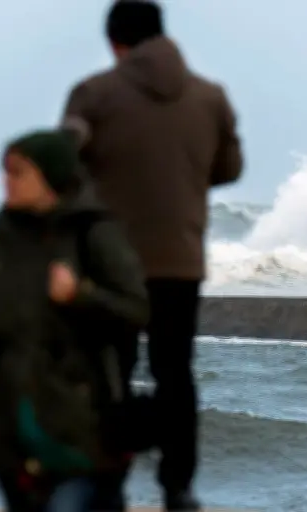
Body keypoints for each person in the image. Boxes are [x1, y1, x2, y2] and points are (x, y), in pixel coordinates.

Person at [61, 1, 244, 510]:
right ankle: (178, 487)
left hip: (108, 264)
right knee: (175, 373)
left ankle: (109, 482)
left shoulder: (94, 94)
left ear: (116, 44)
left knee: (109, 372)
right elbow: (228, 168)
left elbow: (63, 163)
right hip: (179, 260)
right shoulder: (211, 97)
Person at [0, 128, 149, 512]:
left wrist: (80, 296)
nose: (6, 181)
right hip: (8, 414)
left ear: (51, 176)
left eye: (18, 172)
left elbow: (136, 311)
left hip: (79, 416)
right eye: (5, 171)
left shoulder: (93, 232)